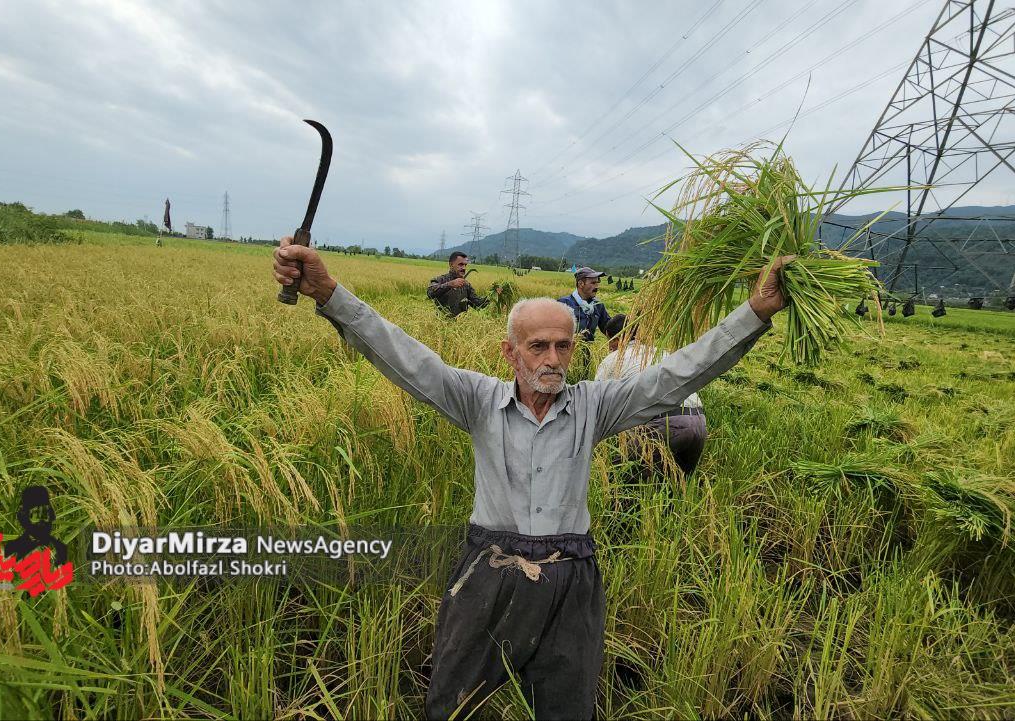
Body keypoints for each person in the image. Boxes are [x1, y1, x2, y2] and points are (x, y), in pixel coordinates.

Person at [273, 241, 792, 720]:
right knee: (452, 704)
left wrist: (755, 314)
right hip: (489, 572)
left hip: (571, 578)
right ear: (510, 352)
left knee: (568, 709)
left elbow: (678, 373)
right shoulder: (477, 401)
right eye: (538, 345)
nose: (552, 359)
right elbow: (408, 358)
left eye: (563, 346)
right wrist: (328, 293)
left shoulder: (594, 405)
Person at [595, 314, 707, 476]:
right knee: (677, 486)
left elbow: (598, 403)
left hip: (662, 423)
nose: (609, 347)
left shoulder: (613, 359)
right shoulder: (663, 353)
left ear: (618, 339)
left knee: (618, 476)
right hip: (697, 421)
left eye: (610, 341)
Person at [556, 267, 612, 342]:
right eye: (593, 283)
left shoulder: (598, 305)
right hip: (567, 351)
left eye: (597, 283)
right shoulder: (564, 304)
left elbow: (609, 329)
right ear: (581, 284)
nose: (597, 287)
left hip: (586, 352)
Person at [427, 251, 489, 317]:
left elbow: (478, 303)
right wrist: (450, 284)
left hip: (461, 324)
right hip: (441, 323)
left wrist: (494, 296)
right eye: (460, 264)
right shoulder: (441, 279)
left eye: (465, 265)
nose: (464, 268)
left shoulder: (466, 285)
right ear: (451, 265)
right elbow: (430, 293)